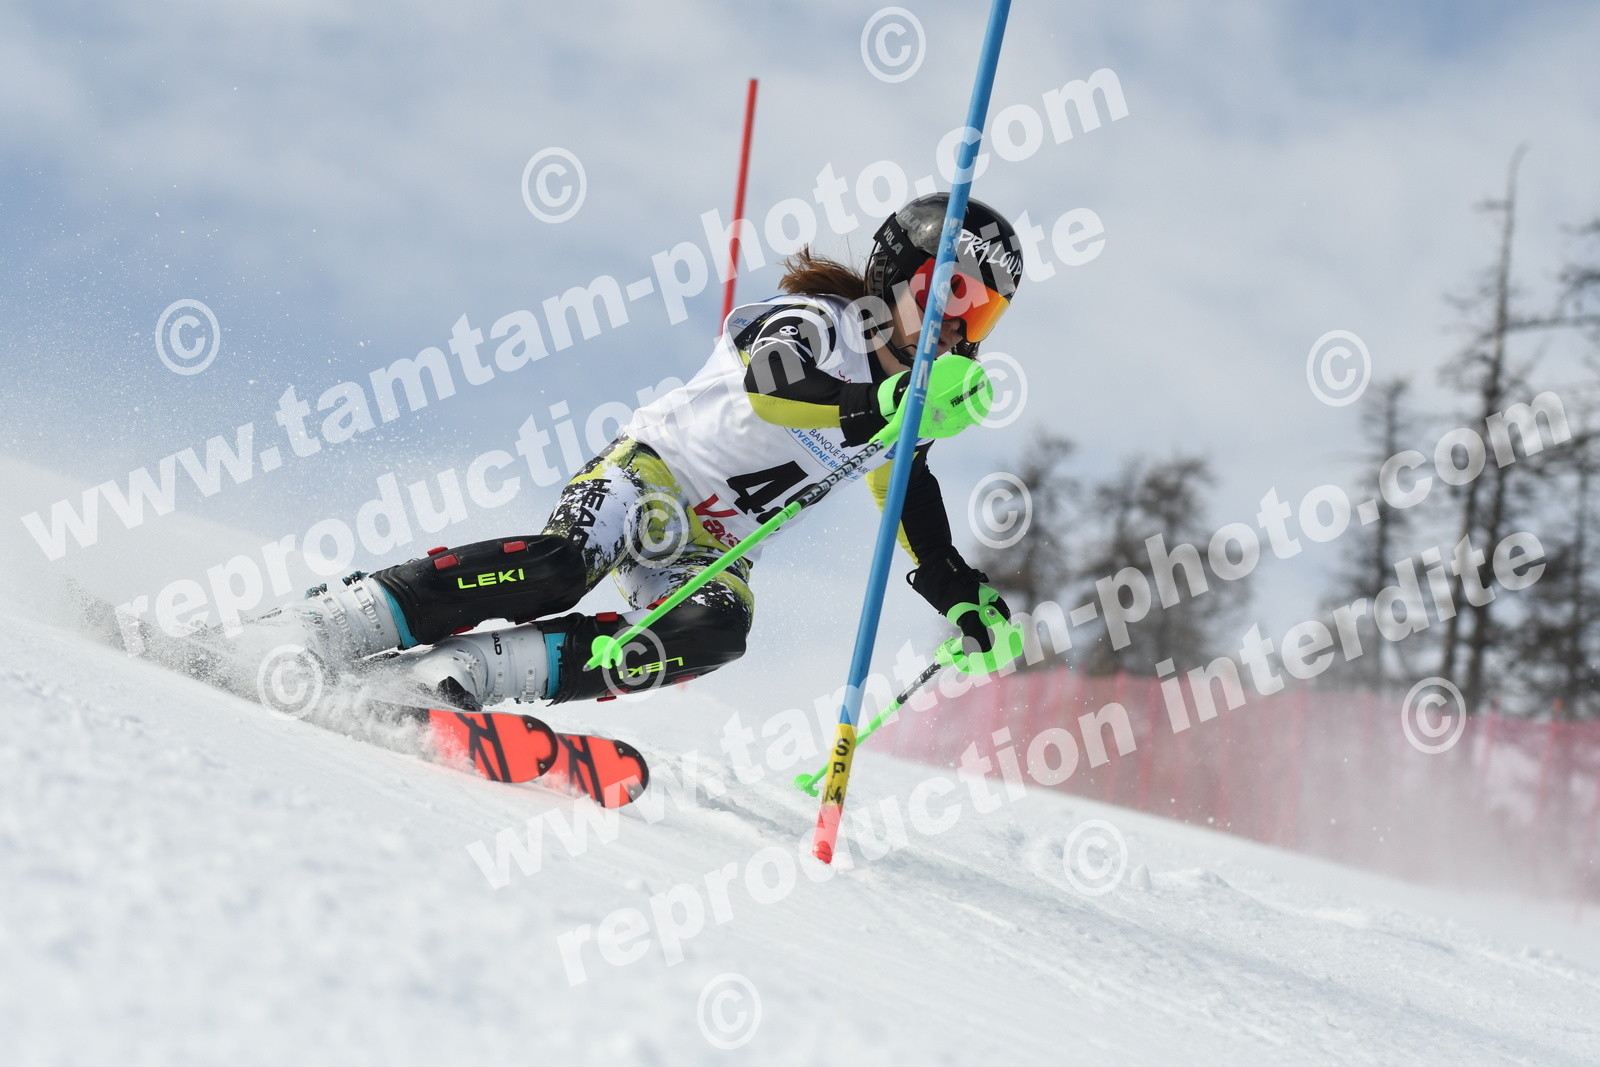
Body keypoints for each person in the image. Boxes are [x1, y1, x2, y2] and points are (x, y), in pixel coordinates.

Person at [268, 194, 1027, 711]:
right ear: (891, 275)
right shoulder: (825, 320)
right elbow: (773, 383)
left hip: (714, 544)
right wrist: (877, 403)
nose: (956, 326)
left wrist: (951, 580)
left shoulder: (910, 408)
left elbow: (904, 483)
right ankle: (344, 618)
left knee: (715, 629)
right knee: (560, 569)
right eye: (947, 293)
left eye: (981, 312)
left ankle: (460, 674)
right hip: (651, 475)